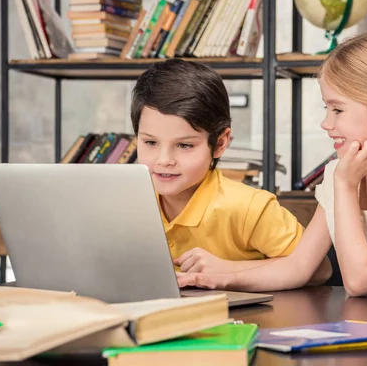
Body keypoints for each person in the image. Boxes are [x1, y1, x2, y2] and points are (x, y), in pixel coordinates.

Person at [177, 24, 367, 296]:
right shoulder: (342, 174)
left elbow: (359, 280)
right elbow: (299, 266)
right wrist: (215, 280)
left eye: (337, 109)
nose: (327, 123)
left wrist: (345, 184)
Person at [131, 59, 332, 282]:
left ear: (219, 143)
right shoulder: (125, 202)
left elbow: (319, 270)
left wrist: (229, 269)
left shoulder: (250, 208)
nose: (164, 160)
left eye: (184, 145)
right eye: (150, 143)